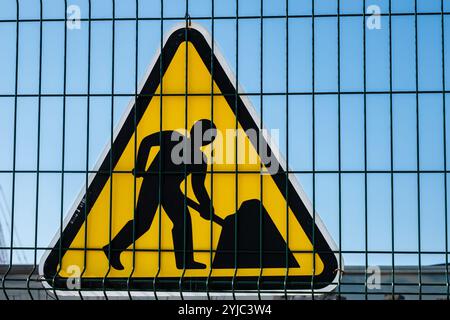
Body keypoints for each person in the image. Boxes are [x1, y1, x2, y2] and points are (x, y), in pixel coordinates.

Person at [103, 119, 217, 270]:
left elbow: (198, 186)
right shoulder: (173, 137)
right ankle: (113, 248)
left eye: (208, 137)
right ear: (193, 130)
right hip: (153, 183)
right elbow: (147, 142)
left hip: (172, 191)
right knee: (143, 223)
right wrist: (140, 166)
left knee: (183, 221)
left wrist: (206, 205)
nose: (203, 139)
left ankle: (185, 261)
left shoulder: (200, 159)